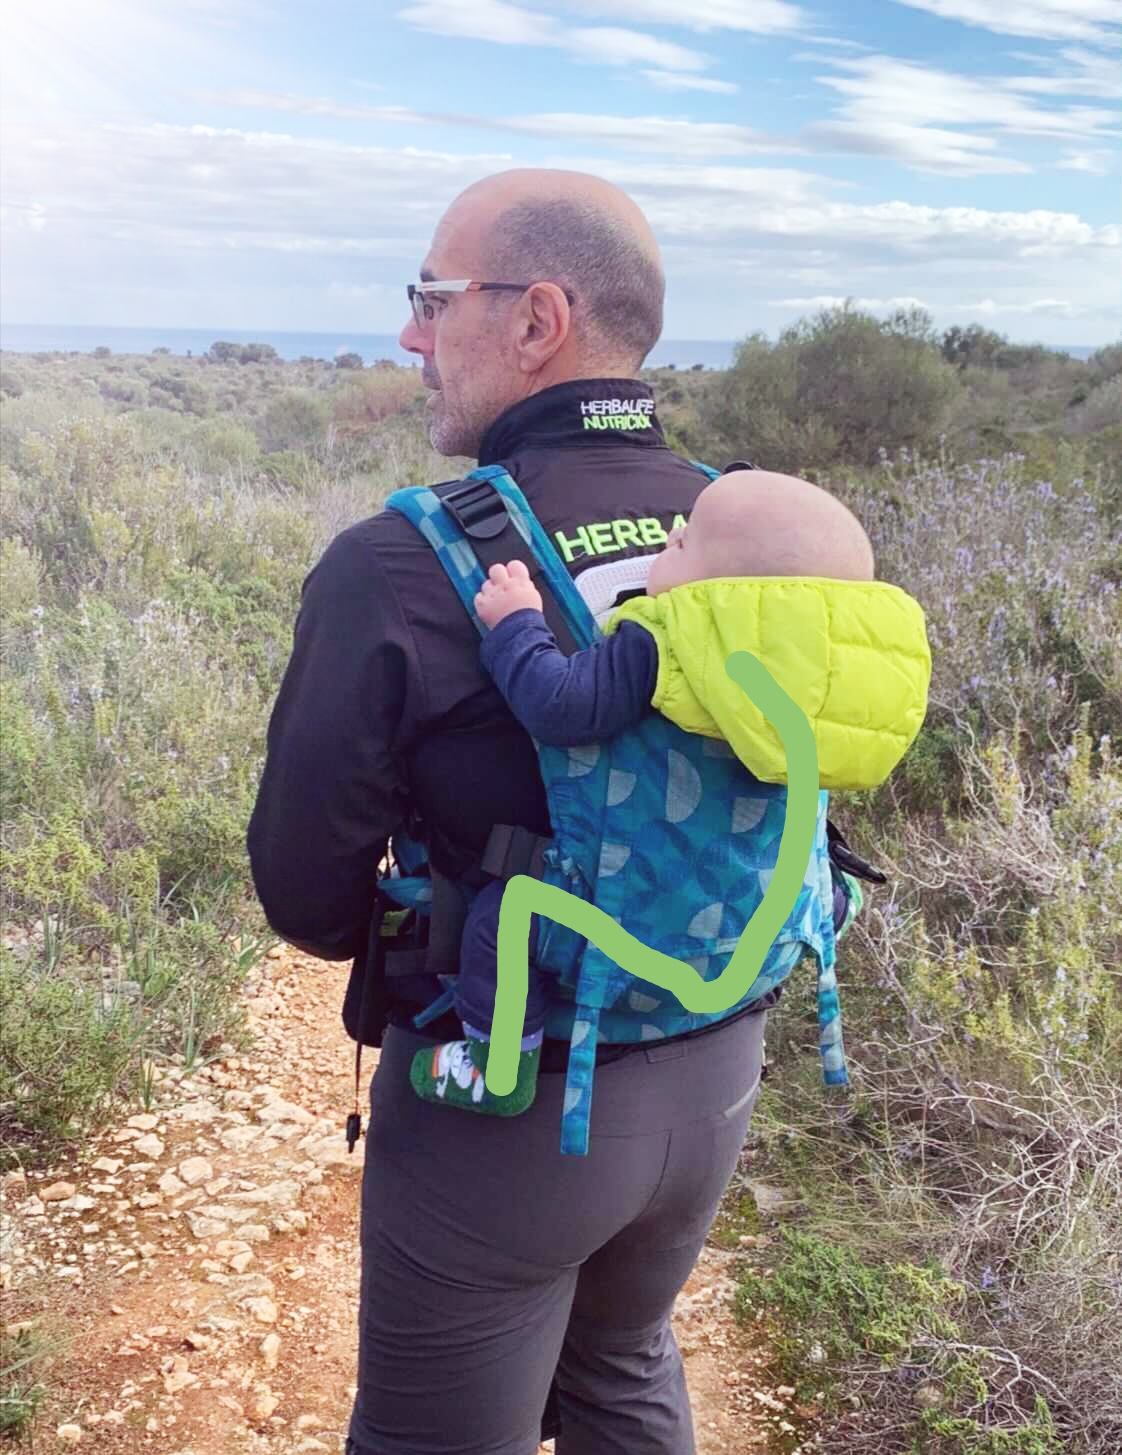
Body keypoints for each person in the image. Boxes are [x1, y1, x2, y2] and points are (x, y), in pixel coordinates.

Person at [247, 167, 861, 1455]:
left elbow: (304, 894)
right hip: (717, 1066)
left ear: (536, 320)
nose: (410, 335)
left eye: (430, 298)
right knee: (623, 1368)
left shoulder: (405, 562)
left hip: (511, 1109)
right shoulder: (746, 519)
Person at [408, 468, 884, 1119]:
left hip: (642, 912)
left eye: (684, 544)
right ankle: (837, 902)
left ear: (721, 592)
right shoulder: (829, 666)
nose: (674, 534)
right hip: (771, 899)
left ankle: (497, 1064)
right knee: (815, 870)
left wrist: (517, 624)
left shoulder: (665, 640)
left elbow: (559, 706)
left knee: (501, 920)